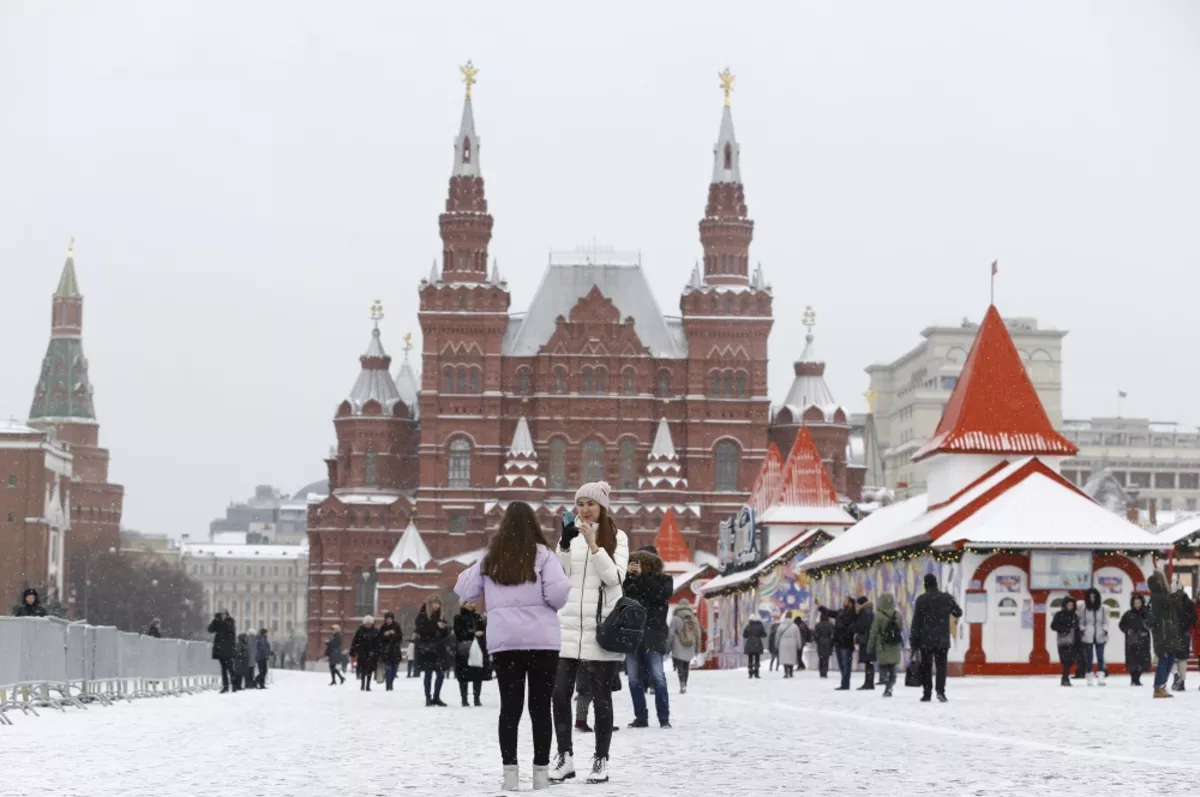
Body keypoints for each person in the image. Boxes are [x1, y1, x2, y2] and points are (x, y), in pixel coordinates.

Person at [455, 500, 571, 792]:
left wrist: (487, 562)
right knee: (540, 709)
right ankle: (541, 776)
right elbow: (558, 597)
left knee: (510, 709)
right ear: (534, 524)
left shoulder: (492, 558)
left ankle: (510, 777)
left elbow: (464, 589)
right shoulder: (544, 556)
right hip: (542, 643)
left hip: (505, 644)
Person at [549, 481, 629, 786]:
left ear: (602, 507)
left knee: (601, 698)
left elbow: (614, 579)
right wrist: (566, 543)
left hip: (600, 629)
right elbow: (559, 575)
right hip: (568, 628)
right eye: (580, 503)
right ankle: (565, 757)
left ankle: (600, 759)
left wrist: (595, 546)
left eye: (590, 504)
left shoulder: (616, 537)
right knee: (559, 695)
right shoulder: (571, 536)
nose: (584, 509)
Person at [622, 546, 673, 729]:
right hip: (633, 636)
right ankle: (641, 717)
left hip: (654, 635)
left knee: (658, 678)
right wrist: (626, 576)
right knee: (634, 680)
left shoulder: (665, 580)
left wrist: (643, 577)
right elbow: (621, 597)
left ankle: (664, 718)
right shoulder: (630, 581)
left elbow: (660, 596)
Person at [909, 573, 962, 703]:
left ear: (925, 584)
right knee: (941, 666)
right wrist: (948, 607)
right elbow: (958, 612)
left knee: (926, 666)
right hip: (942, 639)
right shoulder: (946, 598)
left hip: (925, 640)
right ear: (936, 583)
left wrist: (913, 641)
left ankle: (927, 693)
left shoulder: (921, 599)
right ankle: (940, 692)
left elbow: (916, 622)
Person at [1148, 571, 1184, 698]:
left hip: (1168, 633)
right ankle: (1158, 687)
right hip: (1162, 634)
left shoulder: (1161, 596)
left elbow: (1175, 602)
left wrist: (1176, 592)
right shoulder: (1157, 597)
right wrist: (1178, 591)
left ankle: (1161, 686)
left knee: (1170, 658)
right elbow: (1173, 602)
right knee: (1164, 659)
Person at [416, 596, 452, 706]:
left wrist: (445, 628)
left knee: (440, 674)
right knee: (428, 674)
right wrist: (435, 626)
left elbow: (446, 634)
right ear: (429, 604)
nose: (437, 606)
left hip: (439, 649)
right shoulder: (422, 615)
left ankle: (436, 697)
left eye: (438, 604)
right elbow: (420, 630)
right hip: (427, 648)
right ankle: (428, 697)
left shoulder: (441, 616)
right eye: (434, 603)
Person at [454, 601, 491, 707]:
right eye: (468, 602)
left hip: (478, 649)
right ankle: (464, 699)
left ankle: (477, 698)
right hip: (464, 650)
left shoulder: (478, 617)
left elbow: (484, 631)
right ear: (463, 604)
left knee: (477, 674)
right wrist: (472, 633)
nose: (471, 604)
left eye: (473, 602)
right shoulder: (458, 617)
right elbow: (459, 633)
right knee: (463, 675)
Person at [867, 593, 903, 697]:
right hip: (894, 644)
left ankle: (886, 681)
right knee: (892, 667)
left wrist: (870, 646)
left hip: (882, 644)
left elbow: (873, 632)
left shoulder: (878, 616)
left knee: (882, 665)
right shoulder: (897, 614)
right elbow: (900, 628)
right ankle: (890, 686)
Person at [818, 598, 858, 691]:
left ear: (851, 603)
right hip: (838, 642)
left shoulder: (853, 614)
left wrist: (847, 633)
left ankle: (845, 684)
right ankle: (844, 683)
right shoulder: (840, 612)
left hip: (847, 643)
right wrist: (820, 606)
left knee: (846, 664)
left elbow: (853, 627)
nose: (844, 602)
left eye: (846, 601)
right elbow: (829, 612)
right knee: (841, 664)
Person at [1119, 594, 1151, 686]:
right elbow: (1121, 625)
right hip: (1132, 640)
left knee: (1142, 660)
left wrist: (1145, 630)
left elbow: (1151, 623)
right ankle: (1133, 678)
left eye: (1139, 603)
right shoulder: (1128, 614)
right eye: (1135, 603)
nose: (1137, 605)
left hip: (1143, 639)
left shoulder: (1146, 613)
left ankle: (1138, 678)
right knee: (1132, 660)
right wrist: (1127, 631)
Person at [1079, 587, 1109, 686]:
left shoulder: (1103, 608)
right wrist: (1083, 630)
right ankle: (1089, 676)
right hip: (1088, 635)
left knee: (1100, 657)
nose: (1092, 599)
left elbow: (1106, 621)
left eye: (1094, 596)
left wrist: (1105, 629)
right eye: (1090, 596)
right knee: (1089, 658)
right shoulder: (1084, 609)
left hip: (1100, 635)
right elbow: (1081, 622)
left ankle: (1101, 676)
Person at [668, 600, 700, 693]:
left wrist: (668, 647)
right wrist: (697, 648)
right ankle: (685, 684)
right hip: (690, 644)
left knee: (680, 666)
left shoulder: (675, 618)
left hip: (678, 645)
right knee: (686, 665)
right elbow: (698, 634)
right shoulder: (693, 618)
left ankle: (681, 683)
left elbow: (671, 633)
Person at [1051, 597, 1081, 687]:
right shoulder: (1059, 614)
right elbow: (1053, 626)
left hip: (1073, 641)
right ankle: (1065, 678)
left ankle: (1065, 677)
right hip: (1063, 641)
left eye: (1072, 605)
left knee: (1071, 660)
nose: (1070, 606)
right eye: (1068, 605)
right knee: (1065, 660)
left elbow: (1077, 628)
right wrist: (1064, 630)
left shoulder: (1075, 616)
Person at [1171, 582, 1196, 691]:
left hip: (1172, 632)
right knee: (1183, 659)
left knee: (1171, 656)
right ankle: (1182, 681)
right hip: (1184, 633)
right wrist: (1186, 624)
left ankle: (1176, 675)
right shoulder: (1189, 602)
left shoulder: (1170, 601)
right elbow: (1194, 618)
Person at [207, 610, 236, 693]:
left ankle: (234, 685)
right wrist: (214, 620)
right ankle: (225, 686)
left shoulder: (230, 621)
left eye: (223, 615)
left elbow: (228, 628)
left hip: (228, 648)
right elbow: (210, 630)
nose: (222, 617)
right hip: (220, 649)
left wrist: (220, 621)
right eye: (221, 615)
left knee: (230, 668)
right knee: (223, 669)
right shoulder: (218, 622)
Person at [350, 615, 380, 692]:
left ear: (372, 623)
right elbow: (354, 641)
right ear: (364, 623)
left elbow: (378, 643)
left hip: (372, 653)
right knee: (363, 669)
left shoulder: (375, 631)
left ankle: (368, 685)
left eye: (369, 623)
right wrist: (353, 650)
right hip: (362, 652)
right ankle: (362, 684)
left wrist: (378, 651)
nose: (368, 625)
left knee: (370, 669)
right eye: (366, 623)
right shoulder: (360, 631)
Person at [378, 612, 403, 691]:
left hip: (395, 651)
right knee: (388, 668)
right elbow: (379, 639)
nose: (389, 620)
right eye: (387, 619)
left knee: (394, 670)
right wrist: (385, 635)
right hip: (386, 651)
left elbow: (400, 638)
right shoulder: (383, 627)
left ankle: (390, 682)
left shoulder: (396, 626)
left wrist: (394, 634)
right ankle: (388, 685)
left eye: (390, 619)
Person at [854, 596, 876, 690]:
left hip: (867, 640)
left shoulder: (865, 613)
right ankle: (869, 682)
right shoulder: (869, 612)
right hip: (869, 640)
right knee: (869, 662)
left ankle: (869, 683)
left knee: (868, 662)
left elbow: (862, 626)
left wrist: (856, 627)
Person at [776, 611, 803, 678]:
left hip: (783, 644)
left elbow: (777, 636)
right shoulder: (795, 626)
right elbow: (798, 636)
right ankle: (791, 672)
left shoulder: (781, 626)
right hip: (792, 644)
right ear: (791, 616)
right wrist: (799, 645)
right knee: (791, 658)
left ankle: (785, 672)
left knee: (785, 658)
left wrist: (776, 644)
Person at [814, 611, 834, 678]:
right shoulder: (830, 624)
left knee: (821, 658)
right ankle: (825, 671)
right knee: (826, 658)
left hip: (820, 642)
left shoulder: (818, 625)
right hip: (827, 642)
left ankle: (821, 671)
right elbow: (832, 634)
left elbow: (815, 635)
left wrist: (818, 641)